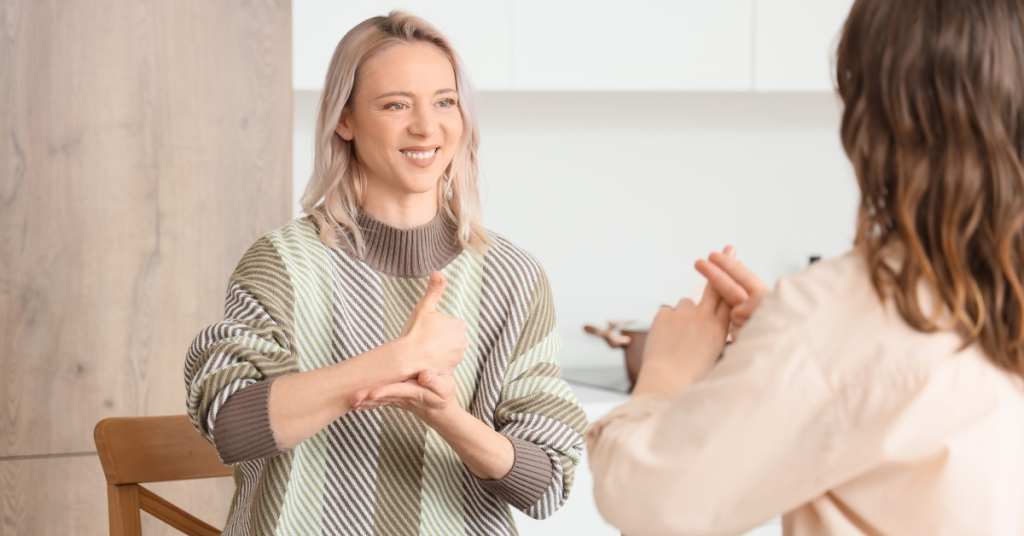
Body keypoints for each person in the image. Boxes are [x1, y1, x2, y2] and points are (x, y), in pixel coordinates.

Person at [586, 0, 1024, 534]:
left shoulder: (843, 314)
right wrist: (789, 341)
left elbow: (648, 501)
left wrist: (665, 374)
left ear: (873, 116)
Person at [184, 12, 586, 535]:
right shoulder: (281, 264)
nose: (427, 127)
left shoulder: (512, 278)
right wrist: (396, 361)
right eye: (396, 105)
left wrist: (444, 414)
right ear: (344, 120)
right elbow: (231, 427)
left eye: (444, 101)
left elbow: (548, 483)